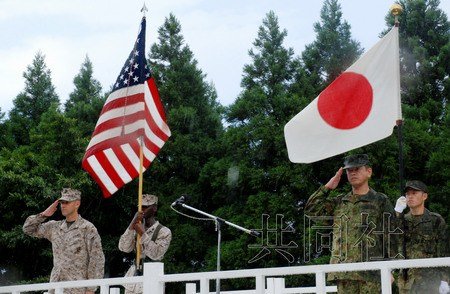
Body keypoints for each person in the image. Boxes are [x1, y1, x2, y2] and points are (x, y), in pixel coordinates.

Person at [305, 154, 397, 293]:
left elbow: (392, 236)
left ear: (368, 171)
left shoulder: (380, 201)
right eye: (349, 170)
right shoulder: (339, 202)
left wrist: (391, 268)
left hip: (372, 273)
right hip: (344, 272)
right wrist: (328, 187)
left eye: (357, 169)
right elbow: (311, 210)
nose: (353, 172)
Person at [23, 188, 105, 294]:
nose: (63, 205)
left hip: (77, 289)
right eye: (61, 202)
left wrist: (90, 289)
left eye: (67, 202)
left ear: (77, 204)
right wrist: (43, 215)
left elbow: (97, 259)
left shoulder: (87, 228)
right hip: (55, 288)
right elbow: (28, 229)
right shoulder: (54, 227)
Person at [394, 180, 449, 294]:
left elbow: (444, 251)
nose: (410, 197)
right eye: (407, 194)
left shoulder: (436, 220)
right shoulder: (401, 220)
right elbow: (388, 238)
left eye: (414, 193)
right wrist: (396, 212)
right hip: (406, 282)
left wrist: (445, 280)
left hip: (430, 281)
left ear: (424, 196)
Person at [118, 194, 172, 294]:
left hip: (153, 279)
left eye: (146, 207)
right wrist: (132, 224)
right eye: (140, 207)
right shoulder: (135, 227)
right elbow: (123, 247)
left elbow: (156, 254)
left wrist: (142, 234)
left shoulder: (164, 231)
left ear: (154, 208)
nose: (142, 209)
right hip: (133, 280)